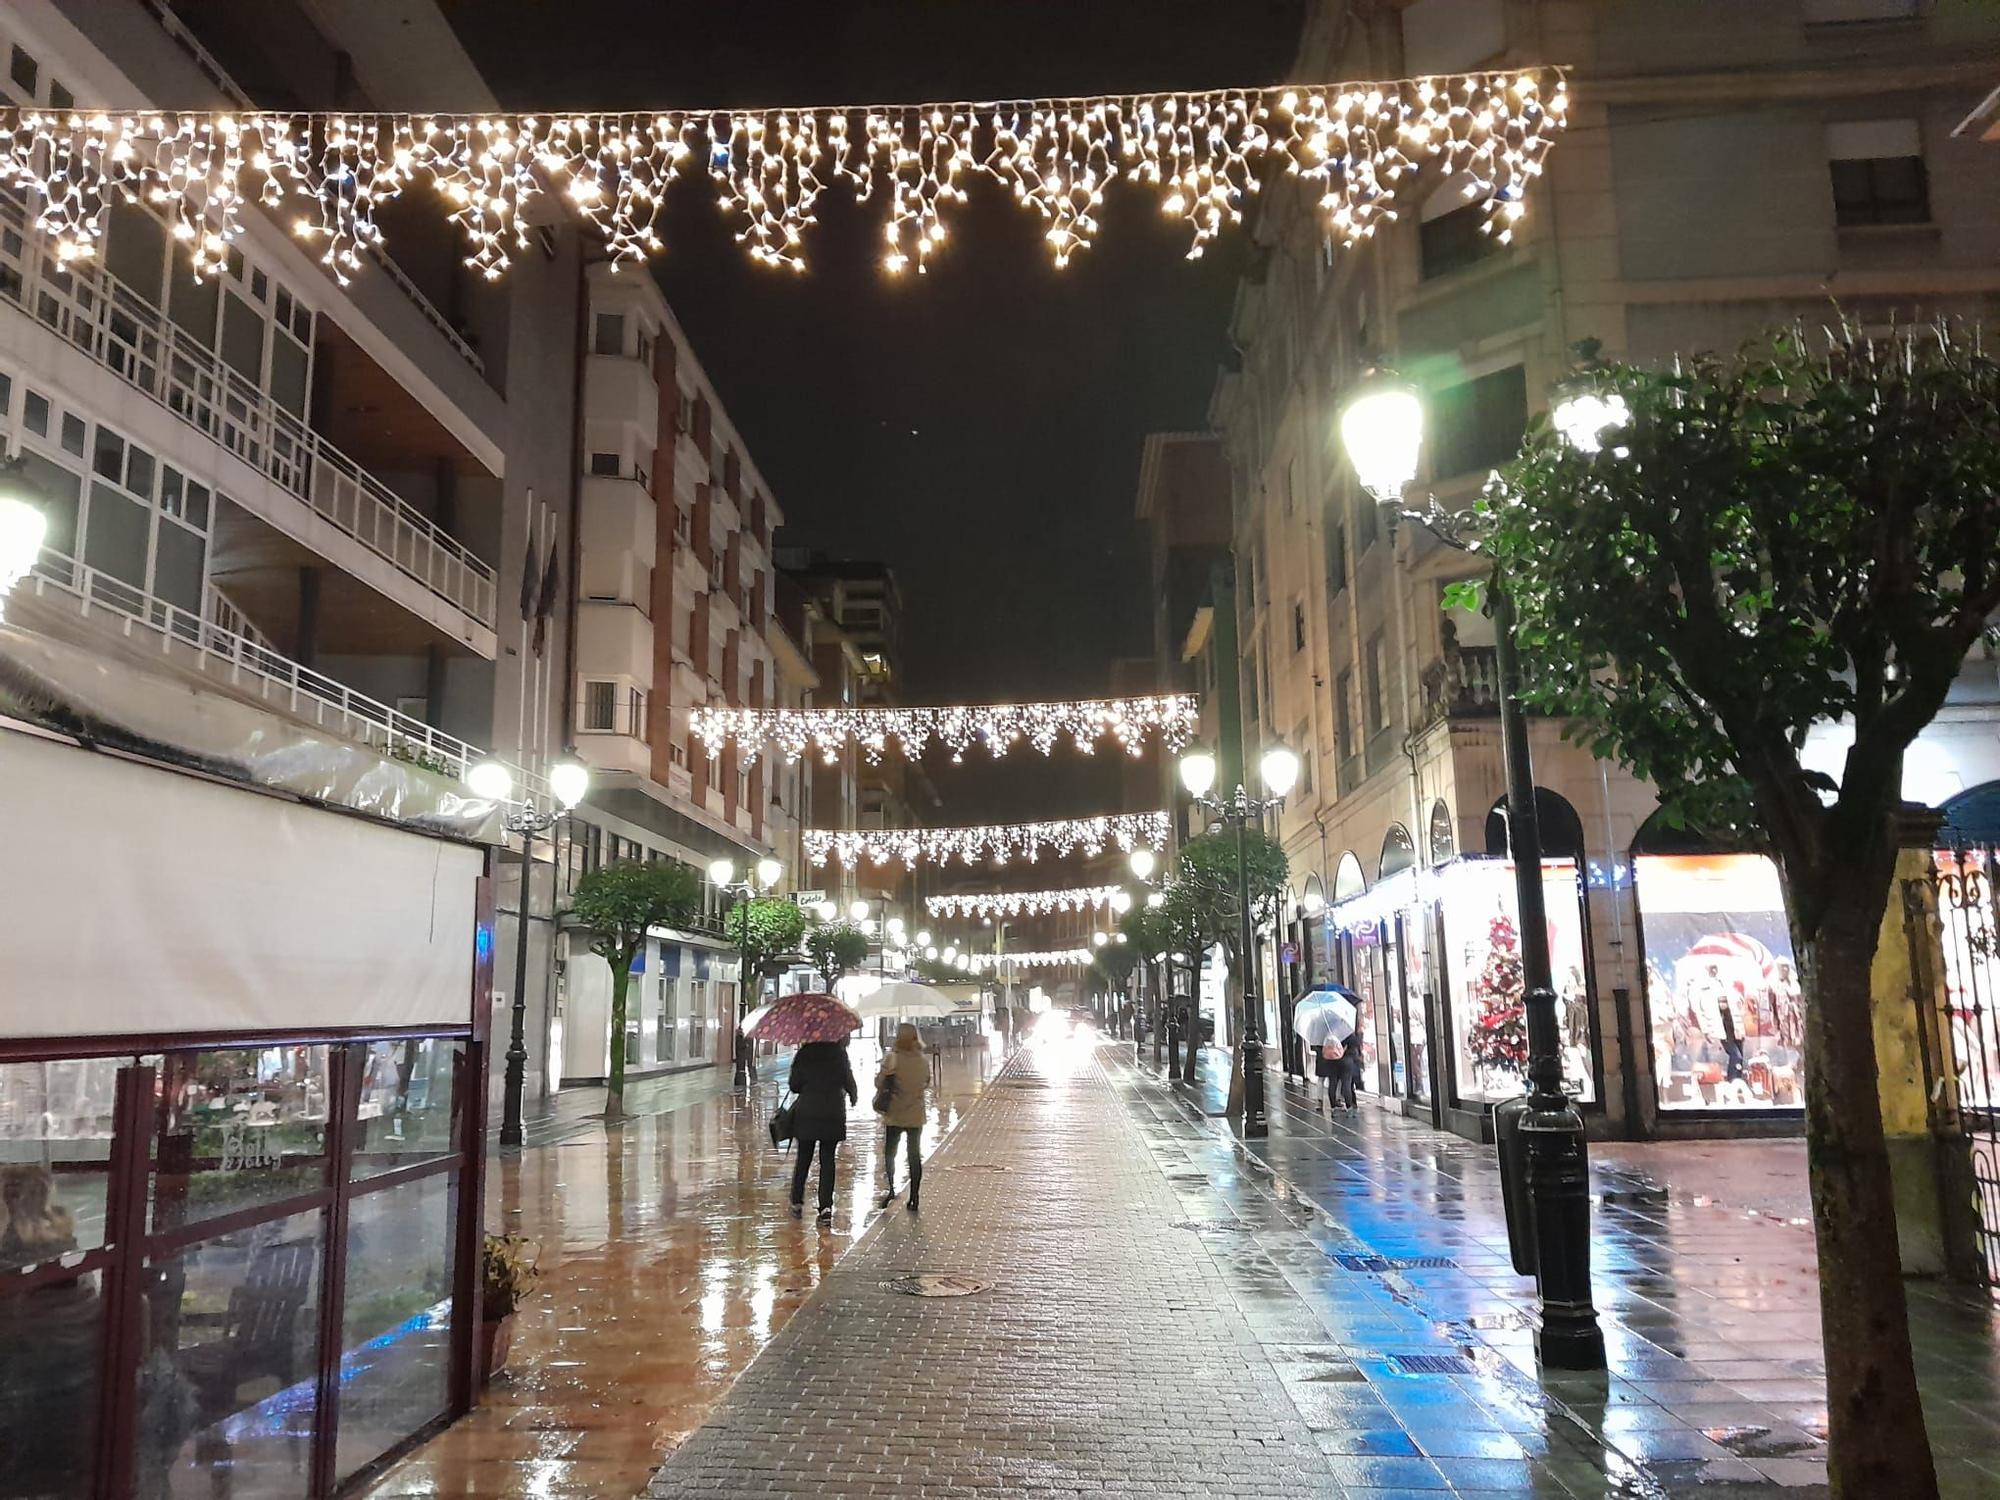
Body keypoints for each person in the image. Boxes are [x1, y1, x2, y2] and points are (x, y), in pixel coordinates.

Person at [787, 1038, 857, 1221]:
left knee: (804, 1158)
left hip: (808, 1112)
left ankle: (796, 1201)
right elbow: (848, 1080)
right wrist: (852, 1095)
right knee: (827, 1160)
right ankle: (825, 1207)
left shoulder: (804, 1053)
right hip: (832, 1112)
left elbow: (793, 1085)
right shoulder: (839, 1053)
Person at [875, 1022, 931, 1211]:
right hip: (915, 1114)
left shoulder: (892, 1059)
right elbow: (926, 1083)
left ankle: (891, 1188)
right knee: (914, 1155)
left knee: (890, 1152)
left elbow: (879, 1083)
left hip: (895, 1114)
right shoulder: (923, 1060)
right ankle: (914, 1196)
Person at [1314, 1037, 1345, 1113]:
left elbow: (1314, 1046)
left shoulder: (1317, 1034)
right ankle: (1337, 1099)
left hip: (1322, 1057)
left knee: (1321, 1079)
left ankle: (1319, 1101)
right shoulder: (1333, 1031)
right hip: (1332, 1058)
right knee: (1335, 1079)